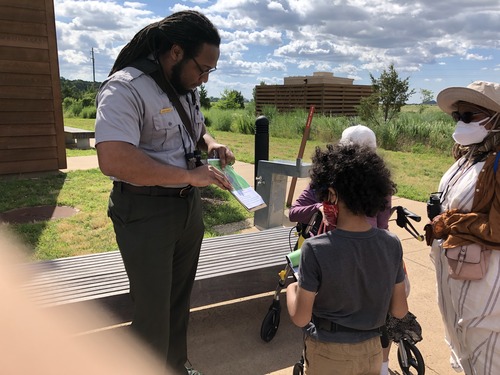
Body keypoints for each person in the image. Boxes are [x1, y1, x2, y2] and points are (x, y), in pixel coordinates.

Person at [94, 10, 234, 375]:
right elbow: (113, 159)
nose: (203, 79)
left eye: (210, 72)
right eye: (201, 68)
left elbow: (195, 130)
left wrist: (213, 144)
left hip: (187, 209)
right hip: (145, 212)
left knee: (177, 301)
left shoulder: (184, 87)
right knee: (152, 311)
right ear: (175, 52)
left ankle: (175, 366)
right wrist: (190, 177)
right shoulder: (125, 87)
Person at [286, 142, 408, 375]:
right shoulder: (391, 243)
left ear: (331, 194)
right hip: (372, 350)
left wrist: (292, 290)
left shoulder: (315, 248)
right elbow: (400, 310)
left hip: (327, 353)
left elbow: (301, 318)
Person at [427, 80, 500, 374]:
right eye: (458, 117)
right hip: (455, 270)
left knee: (485, 348)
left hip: (486, 280)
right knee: (460, 343)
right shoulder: (469, 157)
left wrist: (449, 222)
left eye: (469, 116)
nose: (461, 123)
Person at [289, 124, 391, 230]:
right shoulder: (325, 180)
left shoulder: (325, 179)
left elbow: (382, 226)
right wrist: (319, 208)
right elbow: (382, 226)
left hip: (331, 243)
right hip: (366, 243)